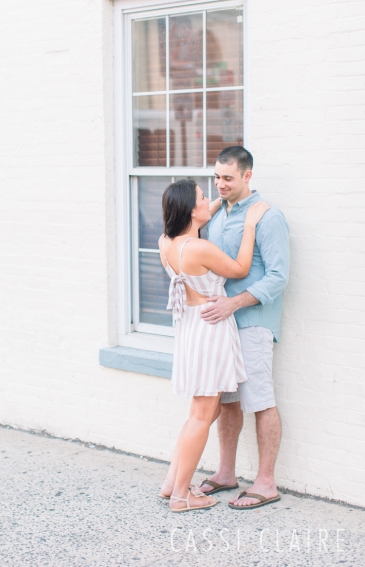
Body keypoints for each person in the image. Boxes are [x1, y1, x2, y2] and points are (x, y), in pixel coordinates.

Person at [155, 178, 269, 512]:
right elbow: (240, 268)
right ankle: (181, 496)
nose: (210, 199)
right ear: (192, 209)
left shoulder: (166, 242)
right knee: (203, 415)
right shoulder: (199, 248)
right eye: (204, 197)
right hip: (211, 327)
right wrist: (249, 226)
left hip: (190, 326)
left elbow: (197, 216)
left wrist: (214, 206)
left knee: (199, 412)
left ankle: (171, 482)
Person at [194, 146, 290, 509]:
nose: (220, 184)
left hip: (252, 323)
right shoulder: (216, 214)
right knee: (229, 403)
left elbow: (278, 277)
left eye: (228, 178)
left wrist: (235, 303)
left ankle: (266, 483)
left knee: (260, 401)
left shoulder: (268, 217)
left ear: (248, 176)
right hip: (222, 326)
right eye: (216, 177)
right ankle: (225, 473)